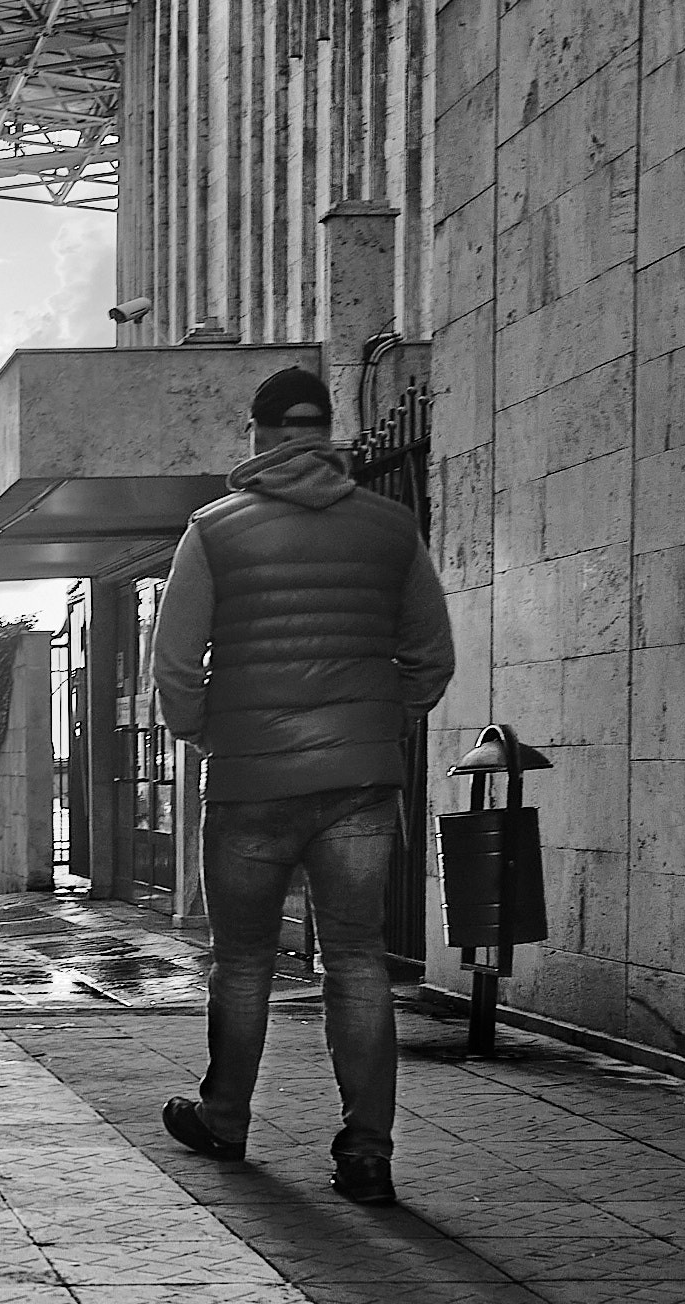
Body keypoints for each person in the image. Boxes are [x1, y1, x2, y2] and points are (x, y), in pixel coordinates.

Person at [148, 366, 454, 1207]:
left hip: (248, 780)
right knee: (356, 959)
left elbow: (173, 667)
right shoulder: (391, 528)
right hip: (359, 781)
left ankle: (225, 1118)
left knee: (243, 961)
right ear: (326, 432)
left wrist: (208, 731)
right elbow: (432, 656)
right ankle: (366, 1153)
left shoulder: (214, 530)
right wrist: (375, 720)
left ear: (259, 436)